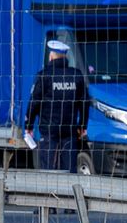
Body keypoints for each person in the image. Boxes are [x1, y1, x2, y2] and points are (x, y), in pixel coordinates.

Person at [25, 39, 90, 172]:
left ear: (51, 56)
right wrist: (82, 126)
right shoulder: (76, 75)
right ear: (65, 56)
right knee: (69, 169)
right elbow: (84, 103)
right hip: (70, 131)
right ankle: (67, 192)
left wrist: (28, 126)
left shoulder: (44, 75)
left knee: (48, 169)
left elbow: (34, 102)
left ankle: (49, 192)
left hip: (49, 131)